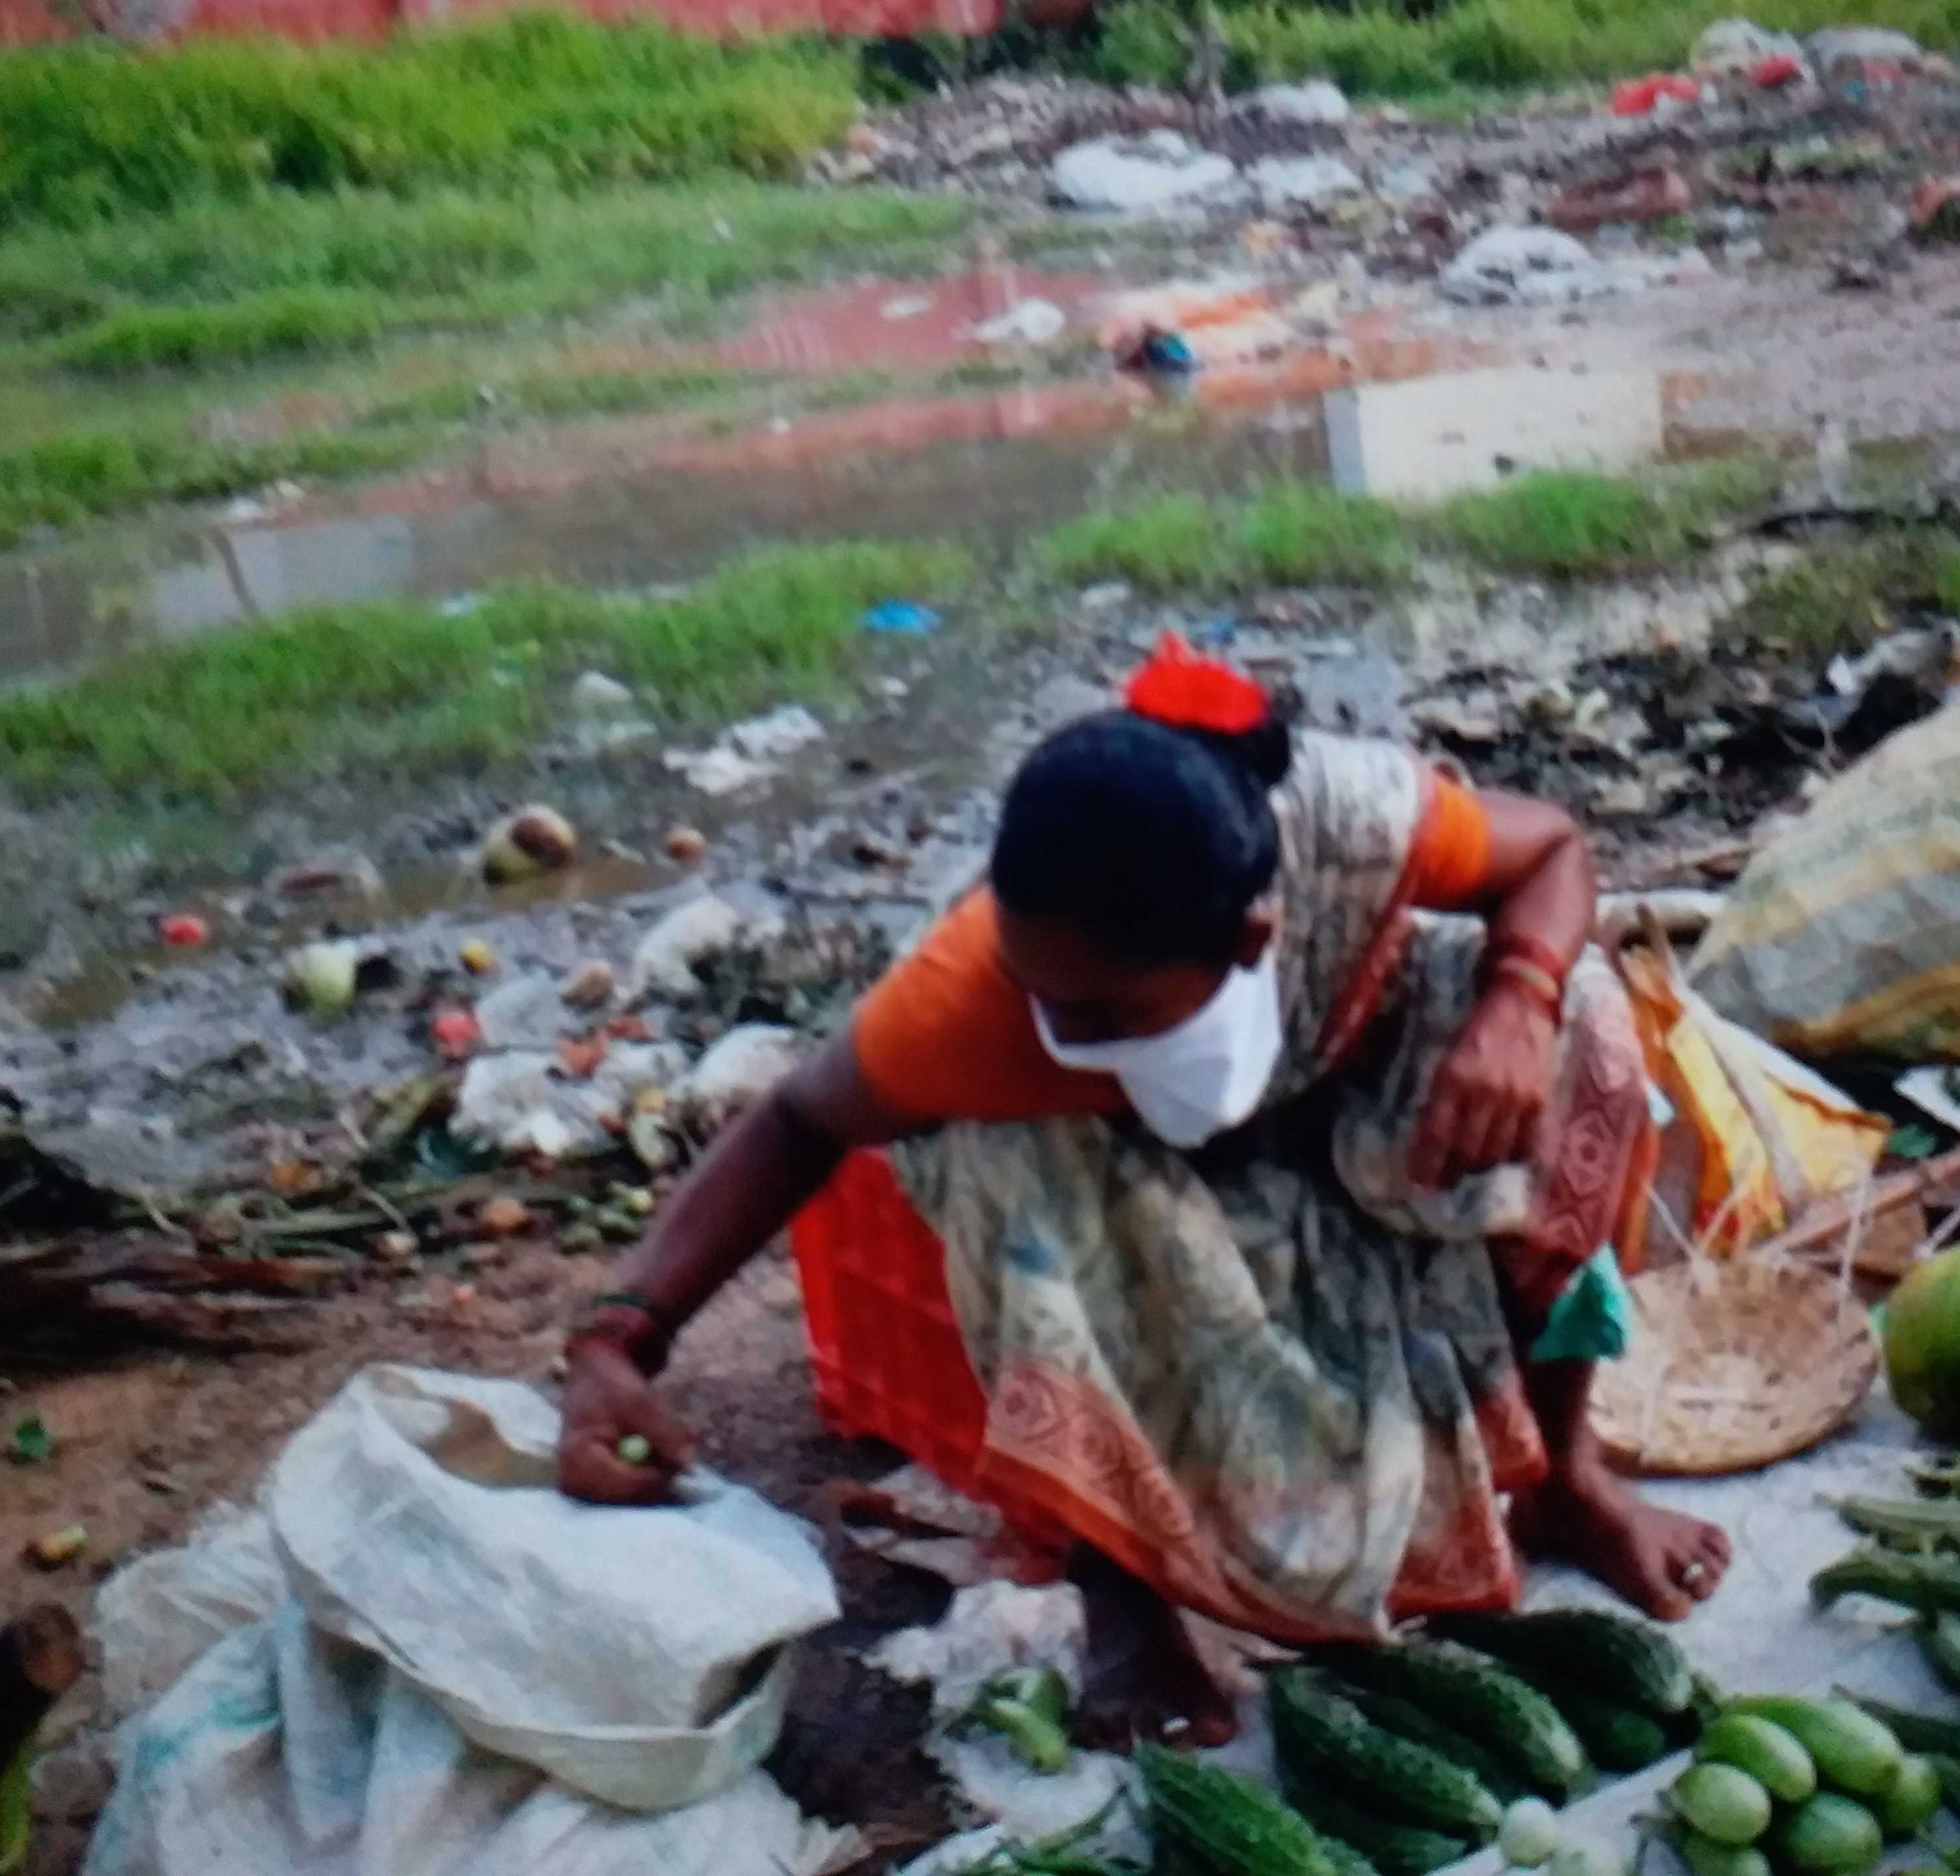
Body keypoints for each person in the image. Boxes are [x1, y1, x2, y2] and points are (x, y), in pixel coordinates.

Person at [549, 635, 1729, 1745]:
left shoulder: (1356, 825)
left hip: (1326, 1076)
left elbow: (1552, 851)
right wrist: (623, 1338)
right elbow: (798, 1118)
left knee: (1584, 1022)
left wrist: (1515, 1003)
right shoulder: (977, 1010)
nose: (1059, 1026)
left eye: (1104, 1011)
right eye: (1038, 993)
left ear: (1258, 932)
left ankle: (1565, 1476)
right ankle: (1126, 1602)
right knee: (1012, 1180)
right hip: (1115, 1179)